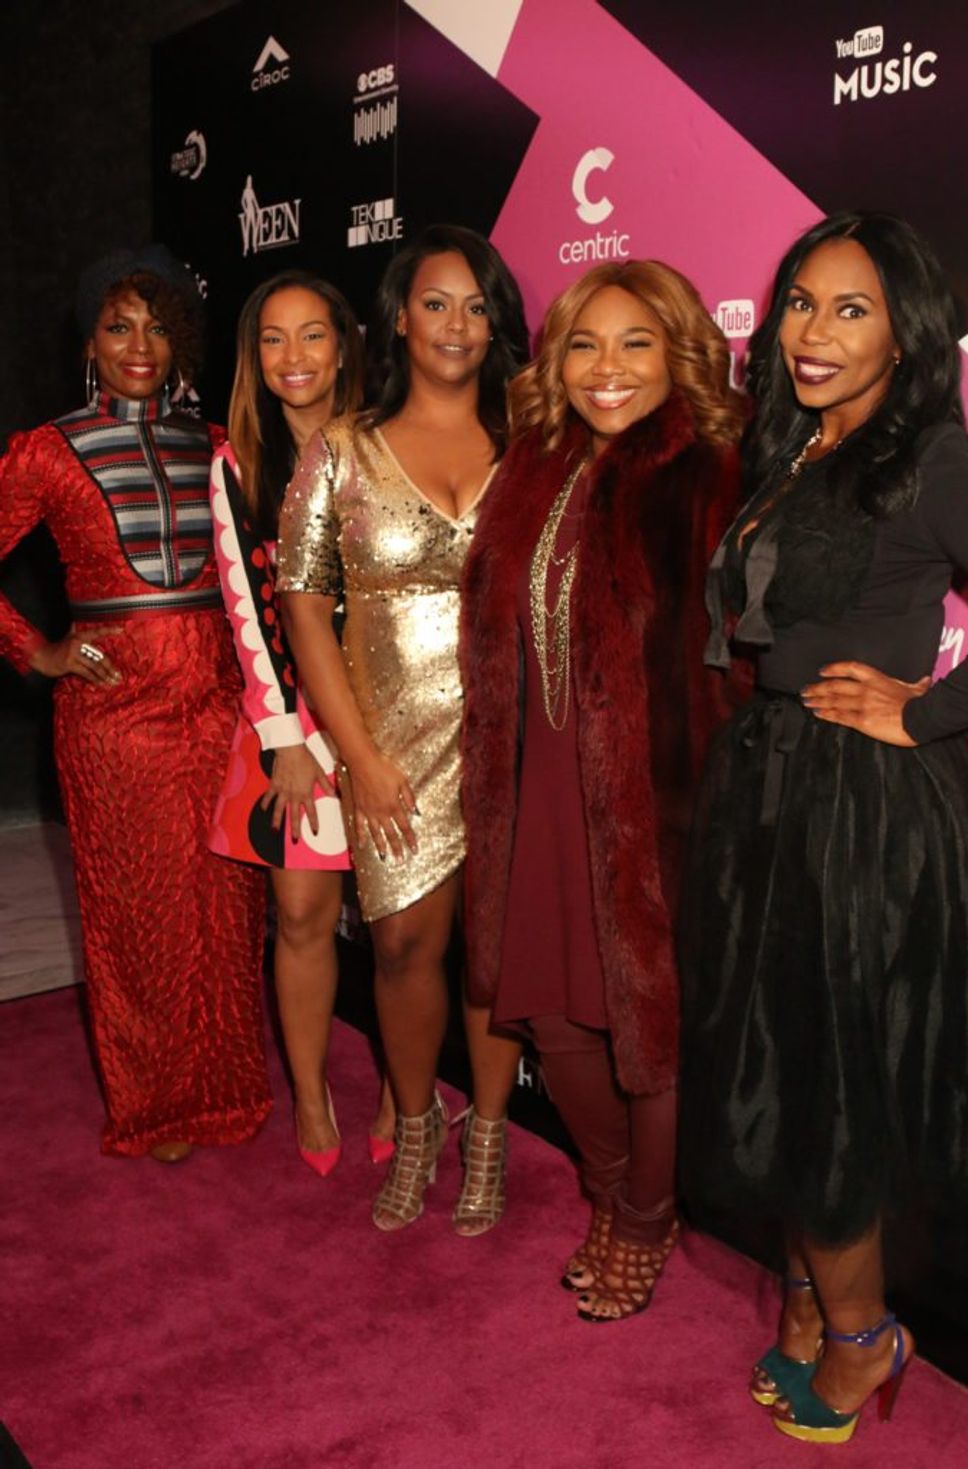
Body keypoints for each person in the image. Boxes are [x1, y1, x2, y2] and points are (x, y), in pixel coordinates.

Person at [680, 211, 968, 1442]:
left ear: (905, 335)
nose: (810, 331)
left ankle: (865, 1336)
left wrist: (928, 713)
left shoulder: (933, 460)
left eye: (849, 309)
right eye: (800, 302)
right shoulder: (799, 440)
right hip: (774, 788)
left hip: (859, 810)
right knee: (779, 1058)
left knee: (826, 1080)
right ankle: (809, 1298)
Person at [459, 260, 745, 1319]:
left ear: (678, 353)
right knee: (547, 1010)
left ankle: (644, 1214)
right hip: (535, 781)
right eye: (583, 344)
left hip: (648, 800)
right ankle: (618, 1190)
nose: (605, 368)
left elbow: (736, 660)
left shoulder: (707, 471)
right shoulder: (536, 462)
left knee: (646, 1027)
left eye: (635, 343)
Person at [277, 225, 530, 1232]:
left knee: (498, 955)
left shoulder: (532, 444)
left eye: (476, 305)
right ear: (396, 317)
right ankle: (417, 1124)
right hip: (389, 745)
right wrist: (360, 759)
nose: (455, 324)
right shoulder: (340, 449)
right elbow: (304, 608)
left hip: (513, 739)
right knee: (400, 951)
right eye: (434, 303)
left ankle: (489, 1135)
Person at [0, 245, 272, 1160]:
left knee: (228, 908)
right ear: (90, 340)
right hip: (115, 719)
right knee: (140, 915)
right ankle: (158, 1106)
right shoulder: (48, 451)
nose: (140, 346)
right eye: (119, 326)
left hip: (221, 706)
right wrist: (37, 649)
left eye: (158, 327)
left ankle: (230, 1084)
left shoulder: (218, 443)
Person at [209, 269, 395, 1175]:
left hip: (394, 718)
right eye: (272, 338)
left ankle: (403, 1092)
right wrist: (286, 736)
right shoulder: (237, 464)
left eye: (312, 334)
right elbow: (246, 605)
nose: (293, 356)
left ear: (344, 345)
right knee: (300, 912)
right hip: (288, 719)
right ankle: (313, 1096)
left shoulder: (388, 447)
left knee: (398, 920)